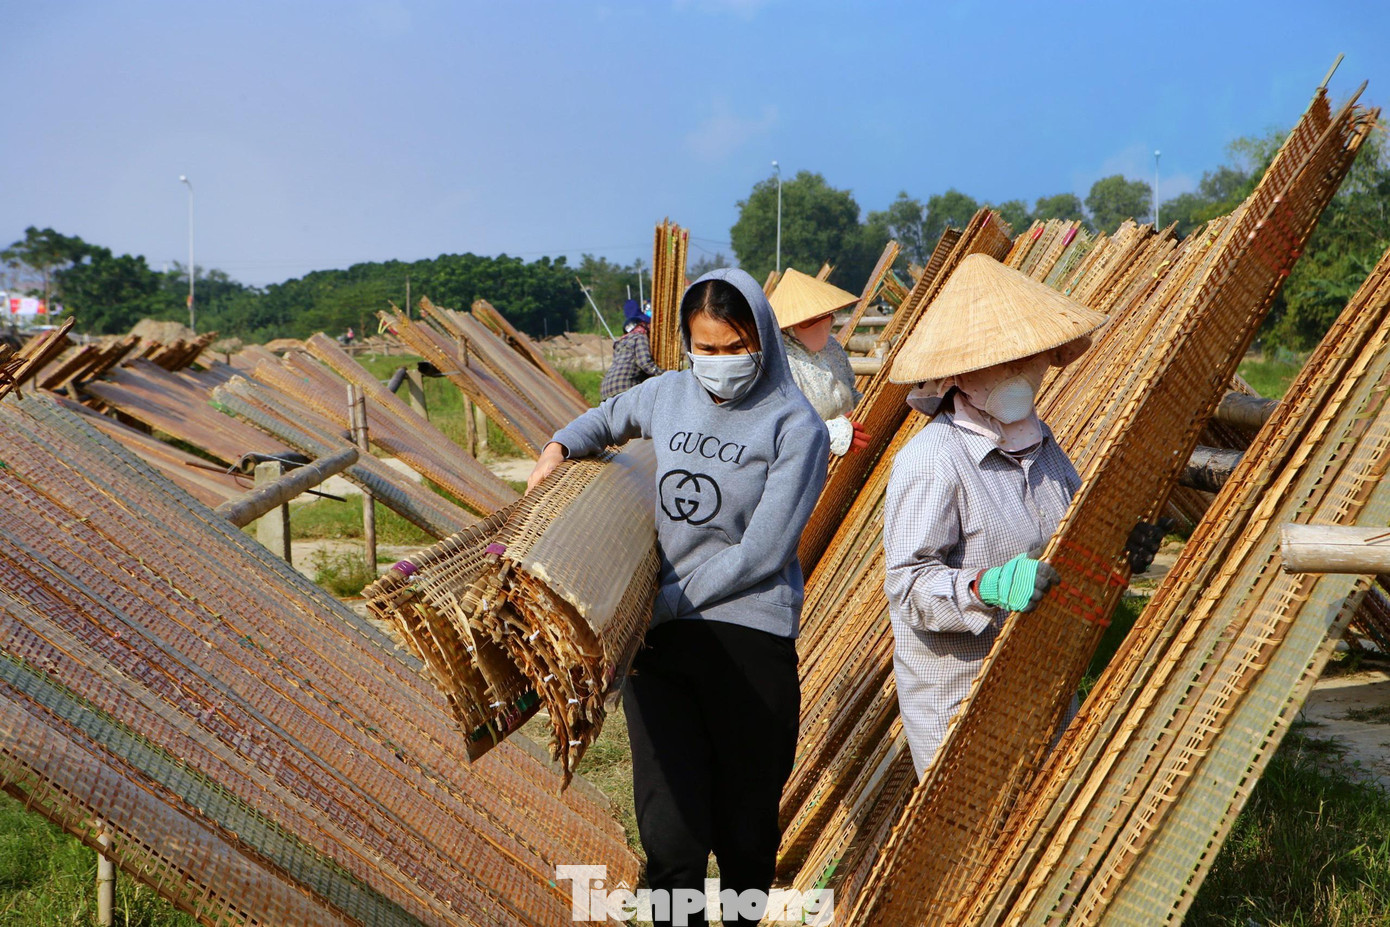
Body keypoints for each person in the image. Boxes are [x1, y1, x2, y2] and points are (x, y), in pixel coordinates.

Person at [528, 269, 828, 926]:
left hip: (747, 637)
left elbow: (763, 552)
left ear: (763, 340)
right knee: (671, 838)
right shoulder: (668, 394)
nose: (719, 364)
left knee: (746, 835)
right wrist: (559, 444)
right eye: (706, 348)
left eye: (734, 347)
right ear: (688, 343)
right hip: (661, 647)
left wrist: (661, 606)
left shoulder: (796, 427)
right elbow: (608, 417)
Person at [882, 254, 1166, 777]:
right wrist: (984, 587)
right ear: (959, 373)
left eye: (1027, 359)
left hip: (1043, 682)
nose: (1017, 374)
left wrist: (1124, 547)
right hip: (960, 697)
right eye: (999, 361)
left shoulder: (1044, 446)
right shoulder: (930, 461)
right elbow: (907, 587)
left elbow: (1073, 544)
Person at [768, 268, 870, 456]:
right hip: (807, 462)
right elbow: (780, 430)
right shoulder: (779, 363)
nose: (821, 324)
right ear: (789, 326)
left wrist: (869, 407)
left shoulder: (833, 348)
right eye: (809, 320)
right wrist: (833, 433)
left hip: (848, 459)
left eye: (824, 315)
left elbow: (850, 390)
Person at [600, 298, 663, 400]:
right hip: (624, 386)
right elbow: (645, 363)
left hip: (606, 388)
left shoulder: (621, 343)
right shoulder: (640, 337)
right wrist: (665, 374)